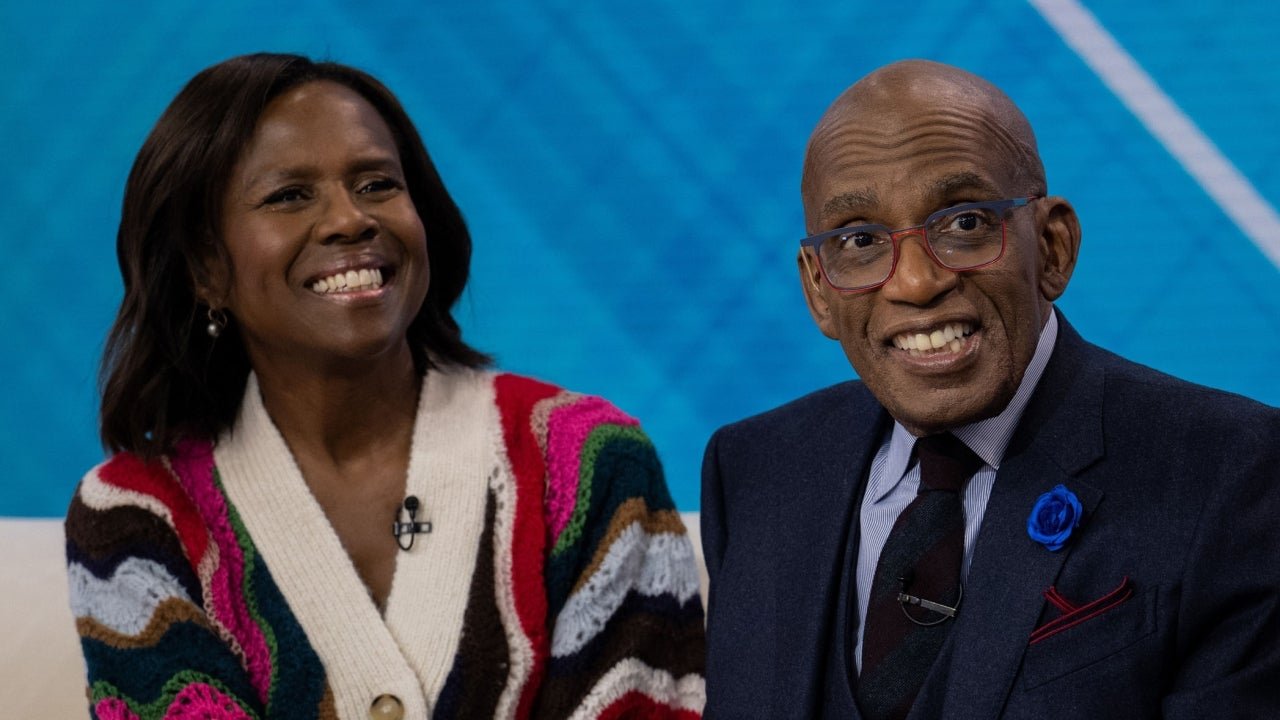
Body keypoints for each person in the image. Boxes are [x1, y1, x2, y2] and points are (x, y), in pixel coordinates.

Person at [65, 53, 705, 720]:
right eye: (289, 195)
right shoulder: (137, 517)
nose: (350, 219)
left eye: (377, 184)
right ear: (206, 270)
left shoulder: (585, 460)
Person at [701, 59, 1280, 718]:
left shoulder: (1233, 473)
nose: (916, 282)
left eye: (965, 223)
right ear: (817, 289)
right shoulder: (753, 471)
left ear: (1054, 247)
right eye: (860, 239)